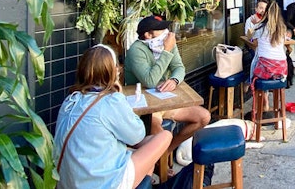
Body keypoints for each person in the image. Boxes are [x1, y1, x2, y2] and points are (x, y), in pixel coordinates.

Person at [55, 44, 172, 188]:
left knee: (140, 149)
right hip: (103, 184)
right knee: (164, 136)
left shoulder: (70, 100)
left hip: (66, 182)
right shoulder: (111, 101)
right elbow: (138, 135)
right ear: (113, 71)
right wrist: (119, 94)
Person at [125, 16, 211, 155]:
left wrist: (174, 80)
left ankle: (168, 152)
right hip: (146, 108)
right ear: (148, 35)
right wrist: (166, 51)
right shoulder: (137, 50)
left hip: (166, 100)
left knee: (203, 116)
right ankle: (161, 165)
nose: (166, 33)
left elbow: (179, 67)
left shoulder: (167, 43)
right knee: (161, 137)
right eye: (161, 30)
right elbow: (150, 81)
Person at [250, 0, 290, 89]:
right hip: (282, 68)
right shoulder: (282, 28)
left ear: (266, 13)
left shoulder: (260, 28)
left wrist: (255, 25)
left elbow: (254, 43)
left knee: (255, 63)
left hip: (266, 67)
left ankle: (263, 98)